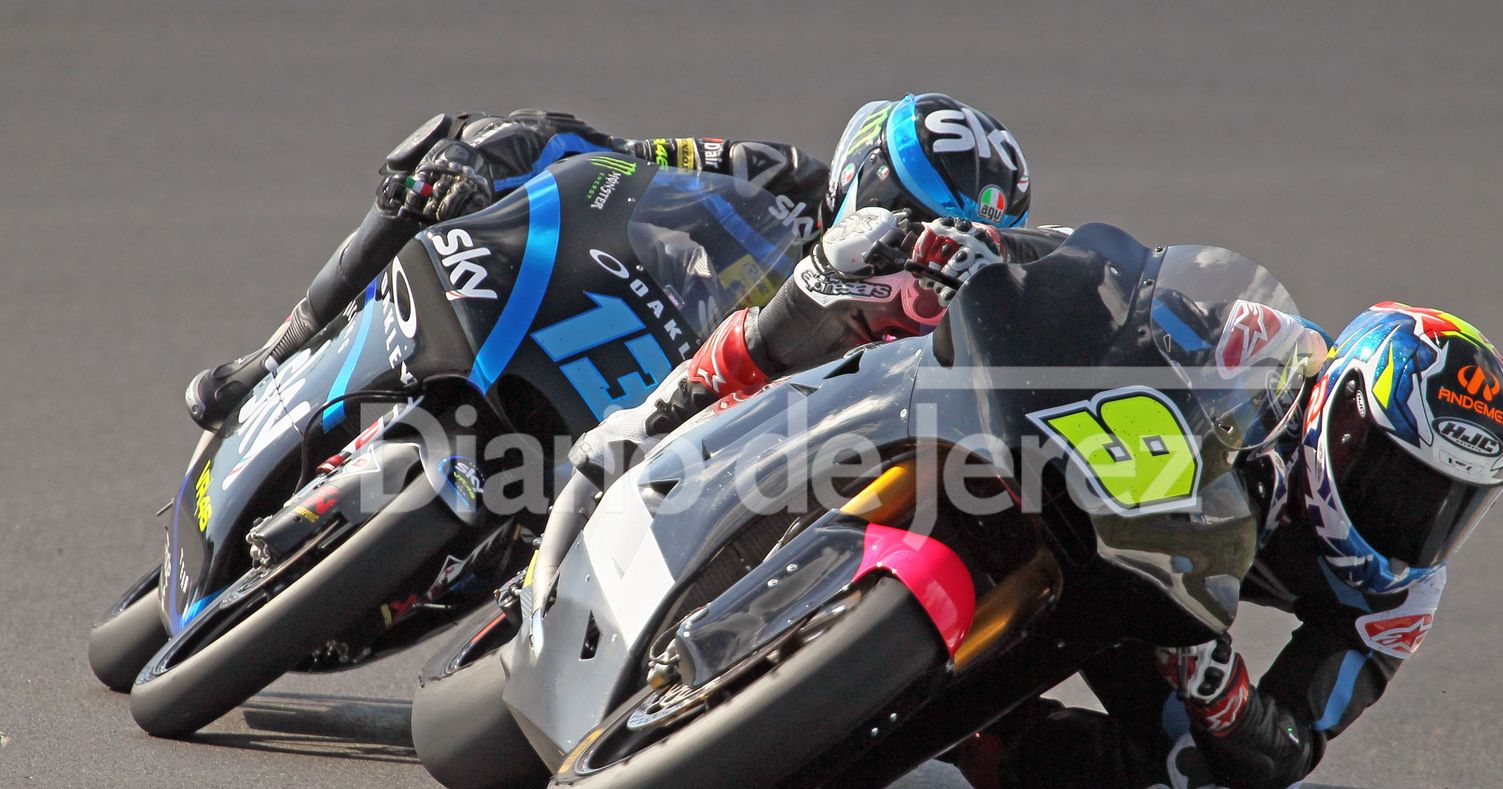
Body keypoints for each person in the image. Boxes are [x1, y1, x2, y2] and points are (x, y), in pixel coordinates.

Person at [950, 302, 1503, 789]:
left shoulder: (1401, 596)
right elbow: (1099, 278)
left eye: (1452, 503)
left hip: (1153, 604)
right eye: (1399, 480)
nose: (1415, 516)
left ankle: (966, 733)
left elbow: (1285, 757)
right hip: (1065, 473)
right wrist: (993, 252)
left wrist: (1225, 698)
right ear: (1343, 411)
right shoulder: (1256, 348)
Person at [184, 94, 1032, 430]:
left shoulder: (931, 334)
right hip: (615, 319)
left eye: (947, 240)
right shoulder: (784, 177)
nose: (921, 247)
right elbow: (619, 152)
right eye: (908, 215)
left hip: (713, 439)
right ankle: (278, 352)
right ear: (858, 181)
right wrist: (504, 152)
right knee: (454, 159)